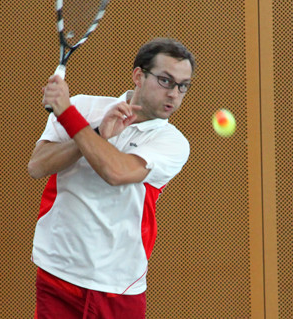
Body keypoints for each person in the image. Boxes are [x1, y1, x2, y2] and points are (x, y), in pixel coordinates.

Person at [28, 37, 196, 319]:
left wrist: (68, 115)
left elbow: (116, 173)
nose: (174, 94)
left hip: (118, 285)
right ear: (138, 76)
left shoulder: (173, 142)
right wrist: (94, 131)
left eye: (183, 86)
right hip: (58, 271)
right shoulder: (83, 107)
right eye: (166, 81)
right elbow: (37, 166)